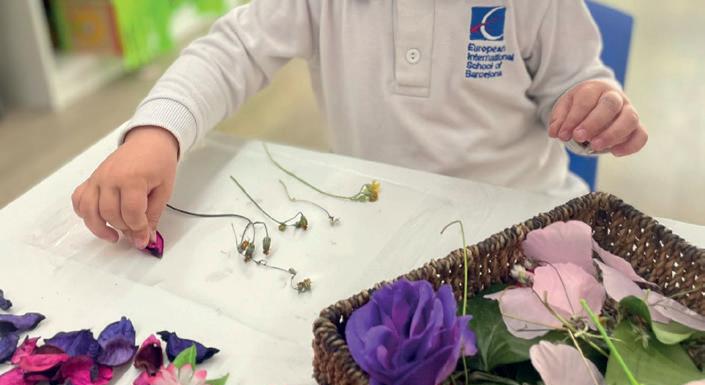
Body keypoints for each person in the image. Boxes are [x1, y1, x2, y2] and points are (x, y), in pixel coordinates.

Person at [72, 0, 647, 249]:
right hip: (379, 224)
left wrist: (593, 107)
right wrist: (158, 132)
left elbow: (574, 80)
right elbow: (234, 51)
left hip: (526, 220)